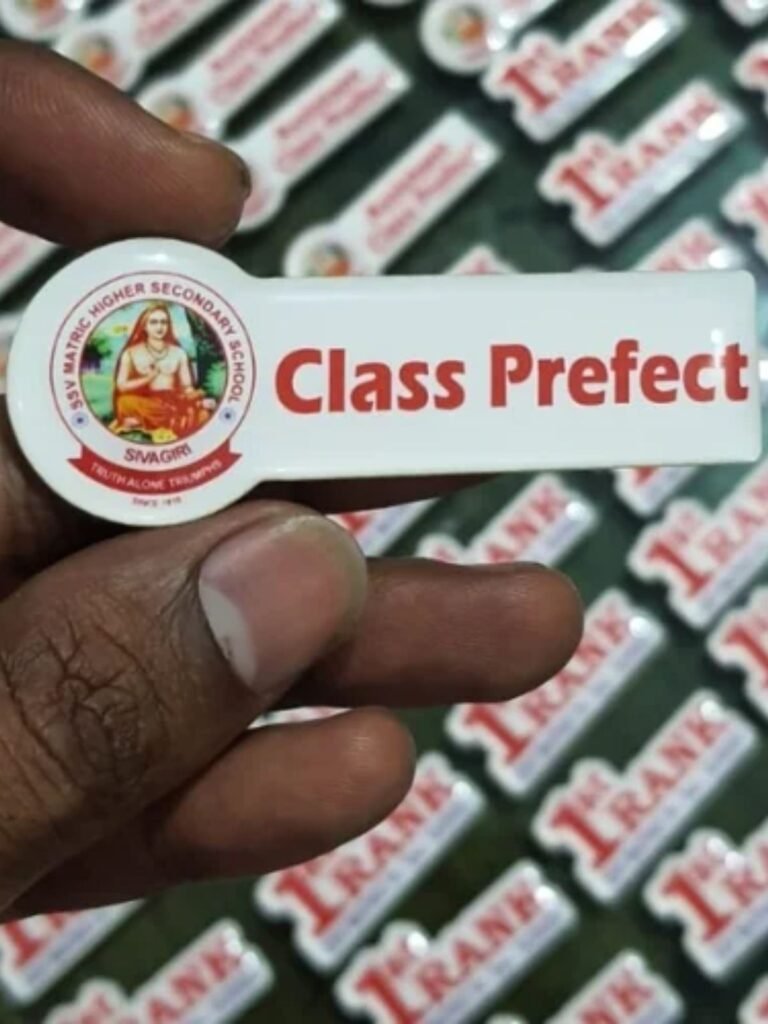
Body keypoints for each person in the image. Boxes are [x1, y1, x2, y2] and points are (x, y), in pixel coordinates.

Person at [0, 41, 582, 918]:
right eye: (147, 332)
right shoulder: (130, 360)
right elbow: (132, 397)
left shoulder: (186, 353)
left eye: (160, 332)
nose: (154, 338)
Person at [111, 302, 214, 440]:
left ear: (168, 325)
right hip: (145, 402)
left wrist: (193, 399)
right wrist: (148, 378)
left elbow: (187, 387)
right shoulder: (130, 353)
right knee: (124, 402)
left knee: (202, 414)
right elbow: (121, 386)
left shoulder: (179, 353)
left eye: (163, 322)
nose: (159, 327)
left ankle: (149, 421)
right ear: (144, 326)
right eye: (154, 322)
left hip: (173, 401)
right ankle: (167, 420)